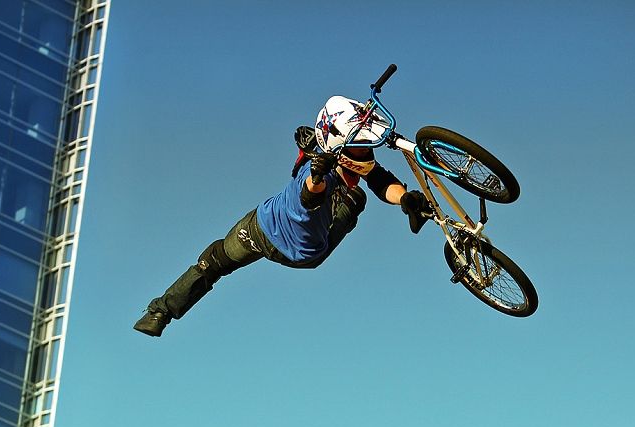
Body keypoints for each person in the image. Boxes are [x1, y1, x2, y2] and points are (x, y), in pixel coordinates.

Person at [133, 95, 432, 337]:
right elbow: (310, 192)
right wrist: (316, 173)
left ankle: (160, 311)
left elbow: (380, 179)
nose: (367, 158)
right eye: (360, 152)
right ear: (339, 153)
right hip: (290, 245)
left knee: (213, 262)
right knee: (213, 261)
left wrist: (405, 198)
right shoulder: (321, 178)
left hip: (263, 223)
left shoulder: (338, 156)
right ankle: (159, 313)